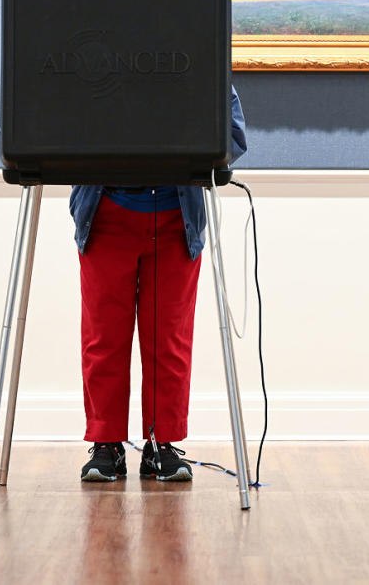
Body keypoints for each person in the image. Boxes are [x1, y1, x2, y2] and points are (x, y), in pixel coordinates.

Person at [69, 87, 247, 482]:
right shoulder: (95, 54)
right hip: (105, 214)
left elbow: (233, 135)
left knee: (169, 339)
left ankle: (161, 445)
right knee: (104, 337)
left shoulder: (197, 53)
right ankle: (106, 445)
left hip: (174, 218)